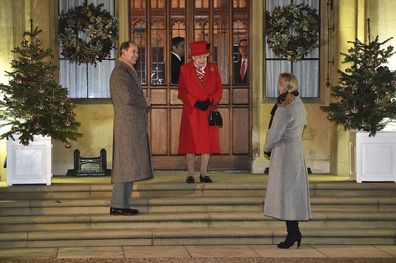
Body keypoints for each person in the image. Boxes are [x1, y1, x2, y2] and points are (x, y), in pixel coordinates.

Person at [263, 73, 311, 248]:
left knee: (287, 194)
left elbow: (275, 133)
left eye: (279, 84)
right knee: (291, 193)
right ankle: (294, 232)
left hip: (285, 153)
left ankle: (293, 234)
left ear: (282, 86)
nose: (278, 87)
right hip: (296, 150)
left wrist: (267, 147)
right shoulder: (299, 104)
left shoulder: (284, 108)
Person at [109, 41, 153, 216]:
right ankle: (118, 205)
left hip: (131, 124)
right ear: (123, 52)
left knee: (129, 165)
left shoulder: (126, 70)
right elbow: (127, 96)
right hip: (126, 125)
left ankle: (123, 205)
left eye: (137, 52)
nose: (136, 55)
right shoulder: (120, 72)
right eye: (133, 51)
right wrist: (145, 101)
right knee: (125, 165)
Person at [178, 40, 223, 183]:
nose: (203, 60)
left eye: (205, 56)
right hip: (192, 111)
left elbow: (219, 89)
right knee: (190, 143)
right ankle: (190, 174)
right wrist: (195, 101)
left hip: (208, 111)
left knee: (206, 143)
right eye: (200, 57)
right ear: (193, 58)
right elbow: (181, 91)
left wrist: (210, 100)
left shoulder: (213, 68)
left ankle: (203, 173)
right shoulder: (185, 69)